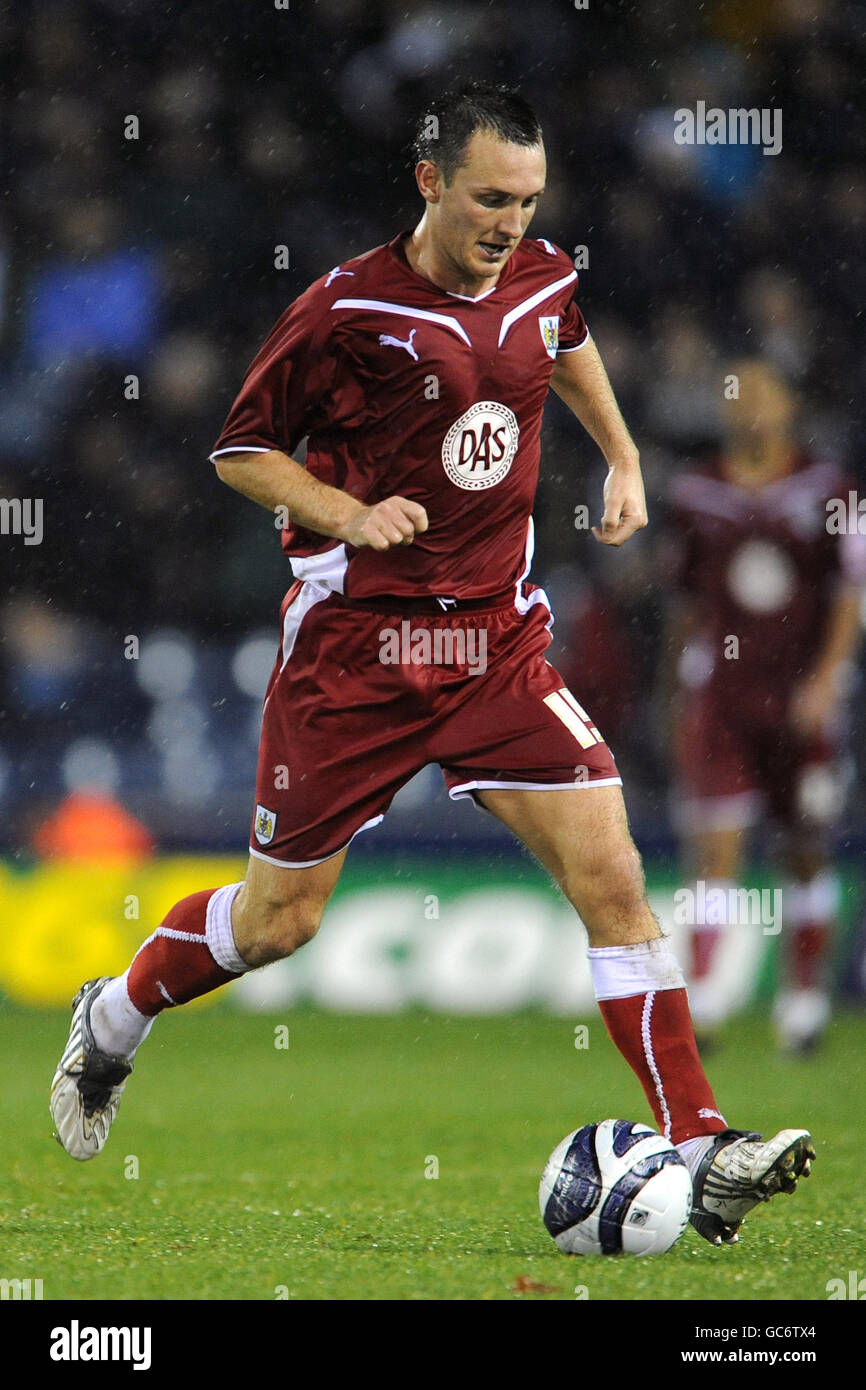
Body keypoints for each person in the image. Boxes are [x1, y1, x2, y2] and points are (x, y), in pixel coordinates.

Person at [51, 84, 814, 1247]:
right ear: (429, 183)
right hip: (356, 654)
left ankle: (702, 1142)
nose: (509, 222)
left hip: (494, 646)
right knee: (277, 925)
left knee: (610, 879)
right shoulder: (346, 305)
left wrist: (618, 459)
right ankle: (112, 1015)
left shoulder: (542, 273)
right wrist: (346, 513)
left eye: (526, 200)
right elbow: (240, 449)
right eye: (489, 199)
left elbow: (564, 337)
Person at [664, 358, 865, 1053]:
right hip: (721, 697)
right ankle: (708, 1002)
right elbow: (685, 603)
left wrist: (828, 679)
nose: (749, 408)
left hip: (799, 696)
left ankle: (803, 1000)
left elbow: (850, 594)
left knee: (803, 846)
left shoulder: (830, 488)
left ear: (790, 407)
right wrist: (675, 689)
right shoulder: (695, 492)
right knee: (714, 849)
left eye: (763, 396)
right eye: (737, 395)